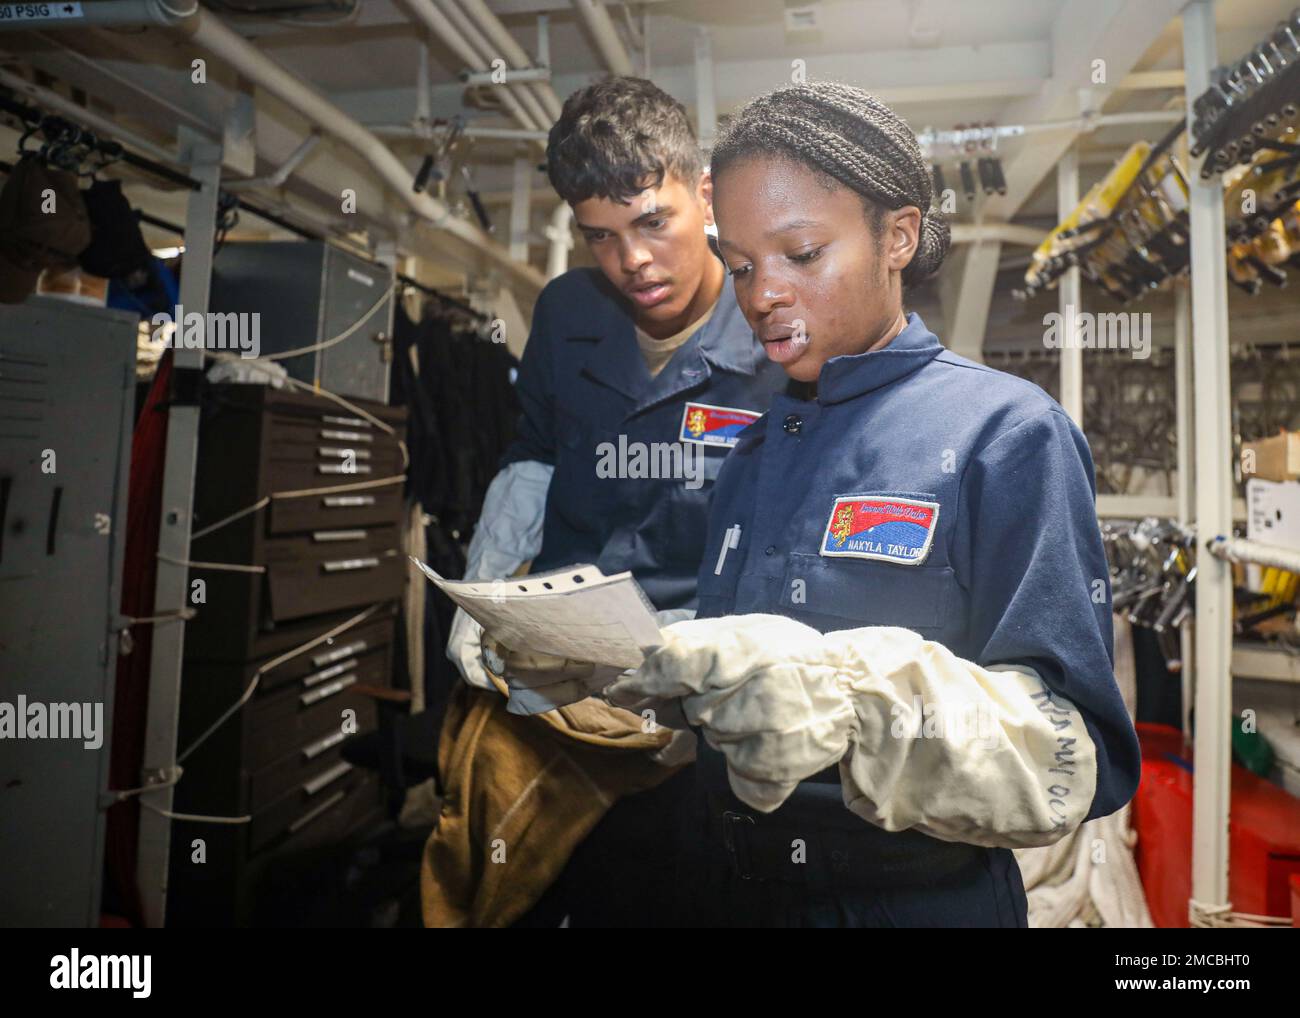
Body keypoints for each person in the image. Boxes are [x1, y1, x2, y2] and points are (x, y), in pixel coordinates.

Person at [608, 82, 1142, 928]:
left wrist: (857, 709)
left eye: (801, 253)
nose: (761, 294)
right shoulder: (752, 455)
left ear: (897, 237)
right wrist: (631, 674)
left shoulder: (1006, 434)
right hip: (723, 887)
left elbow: (1077, 755)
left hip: (909, 900)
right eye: (740, 266)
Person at [441, 76, 788, 925]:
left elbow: (797, 535)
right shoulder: (567, 312)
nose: (631, 260)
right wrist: (483, 590)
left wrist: (713, 674)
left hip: (703, 700)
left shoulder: (776, 331)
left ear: (704, 194)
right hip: (565, 678)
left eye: (652, 222)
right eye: (600, 236)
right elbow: (535, 453)